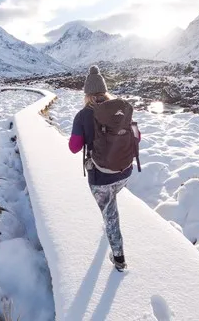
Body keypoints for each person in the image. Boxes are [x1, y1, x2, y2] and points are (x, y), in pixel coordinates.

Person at [68, 65, 140, 272]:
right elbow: (137, 136)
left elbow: (74, 148)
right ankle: (108, 216)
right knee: (111, 202)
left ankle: (119, 260)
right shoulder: (121, 109)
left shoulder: (82, 116)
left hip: (101, 177)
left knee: (111, 217)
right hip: (125, 171)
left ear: (87, 94)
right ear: (104, 90)